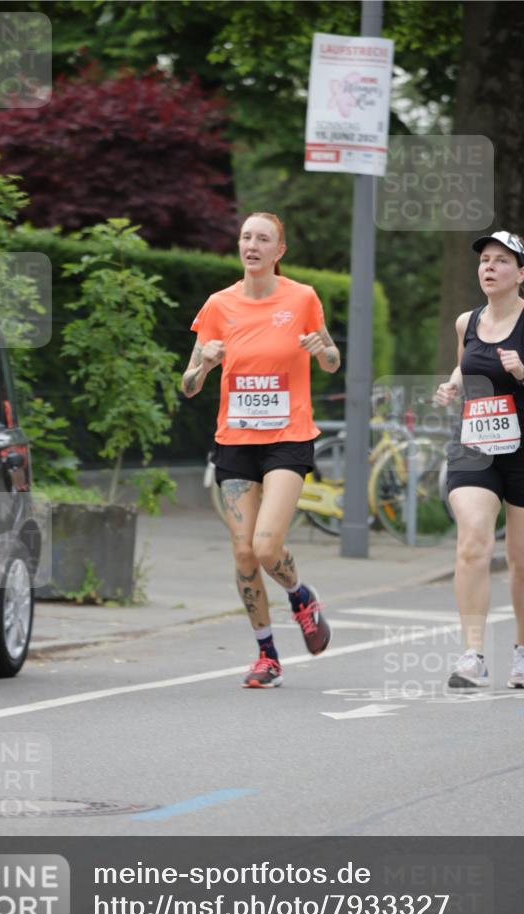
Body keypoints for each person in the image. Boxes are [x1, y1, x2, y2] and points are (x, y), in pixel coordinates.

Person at [181, 212, 340, 688]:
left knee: (266, 546)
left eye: (263, 239)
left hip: (288, 438)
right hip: (236, 441)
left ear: (279, 252)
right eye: (246, 237)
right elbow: (187, 386)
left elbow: (332, 361)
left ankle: (301, 596)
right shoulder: (218, 305)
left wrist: (320, 349)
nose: (252, 245)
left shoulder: (302, 297)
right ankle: (267, 654)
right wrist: (205, 366)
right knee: (243, 554)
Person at [435, 231, 524, 690]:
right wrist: (453, 385)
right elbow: (469, 366)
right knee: (473, 540)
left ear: (521, 273)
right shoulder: (465, 322)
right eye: (484, 260)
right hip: (476, 447)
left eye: (501, 261)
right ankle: (472, 654)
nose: (489, 267)